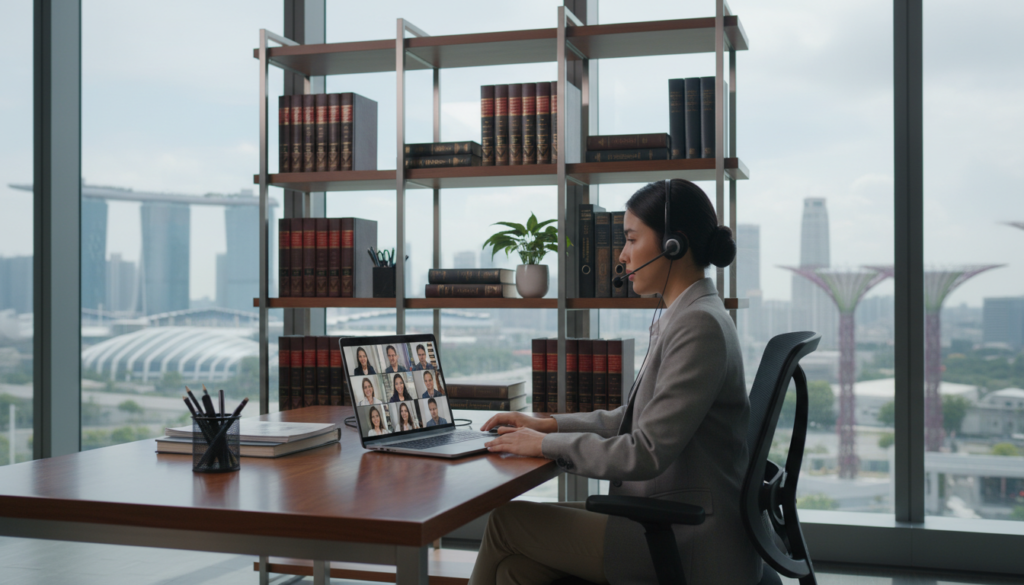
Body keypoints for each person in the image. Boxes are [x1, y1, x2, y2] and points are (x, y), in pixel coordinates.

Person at [471, 179, 759, 585]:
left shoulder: (699, 325)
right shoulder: (690, 314)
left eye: (631, 239)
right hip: (671, 520)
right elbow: (633, 419)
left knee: (506, 522)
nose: (622, 255)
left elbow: (645, 451)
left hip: (691, 540)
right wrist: (547, 425)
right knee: (516, 571)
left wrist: (543, 446)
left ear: (673, 245)